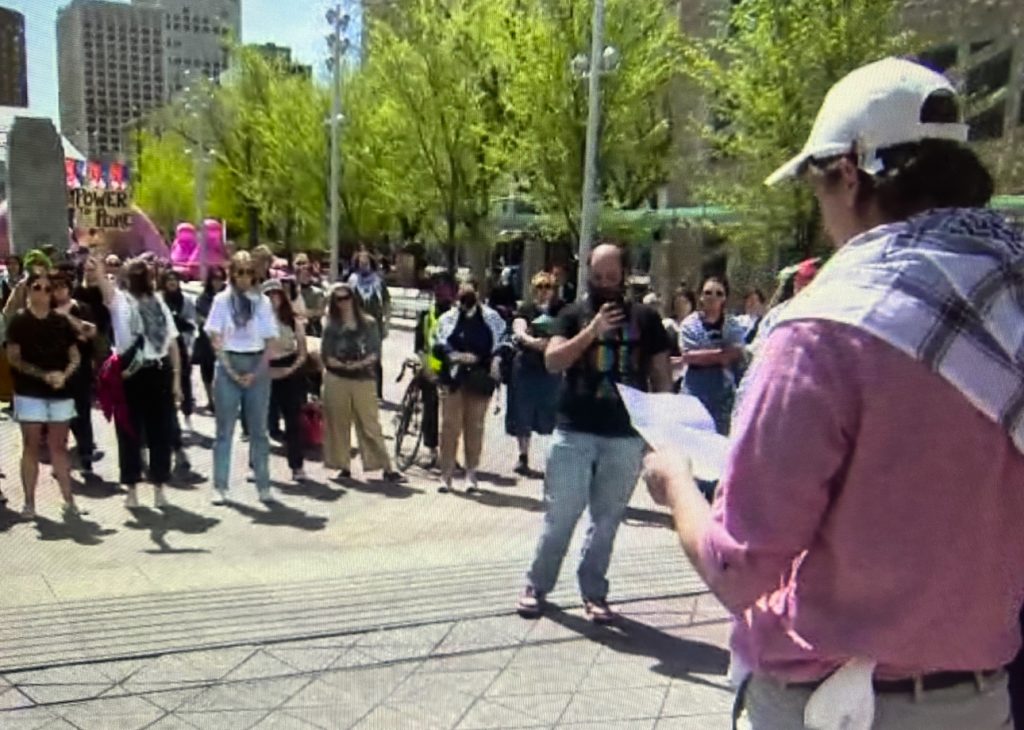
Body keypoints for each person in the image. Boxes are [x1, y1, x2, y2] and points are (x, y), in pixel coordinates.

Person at [644, 57, 1024, 730]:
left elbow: (742, 571)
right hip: (982, 699)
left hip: (839, 705)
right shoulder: (1009, 301)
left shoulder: (826, 327)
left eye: (819, 196)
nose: (825, 222)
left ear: (848, 172)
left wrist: (675, 482)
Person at [517, 244, 672, 623]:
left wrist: (659, 434)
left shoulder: (647, 319)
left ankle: (594, 592)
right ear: (587, 274)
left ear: (625, 276)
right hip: (575, 430)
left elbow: (661, 376)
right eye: (598, 278)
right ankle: (537, 585)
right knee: (561, 516)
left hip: (624, 435)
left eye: (612, 278)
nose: (605, 285)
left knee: (607, 521)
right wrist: (592, 330)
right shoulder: (571, 315)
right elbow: (553, 361)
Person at [101, 257, 182, 509]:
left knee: (161, 433)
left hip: (157, 371)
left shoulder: (158, 302)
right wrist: (96, 256)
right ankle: (132, 488)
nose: (142, 277)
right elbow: (103, 286)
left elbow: (171, 342)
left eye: (144, 272)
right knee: (129, 431)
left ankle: (159, 486)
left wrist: (177, 378)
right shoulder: (120, 300)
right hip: (130, 373)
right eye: (137, 272)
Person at [5, 272, 83, 520]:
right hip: (29, 392)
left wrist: (64, 374)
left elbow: (75, 356)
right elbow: (14, 359)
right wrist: (43, 375)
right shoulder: (19, 321)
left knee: (59, 447)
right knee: (31, 446)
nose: (42, 292)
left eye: (47, 288)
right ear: (28, 291)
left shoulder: (60, 321)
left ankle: (69, 501)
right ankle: (30, 504)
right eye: (36, 287)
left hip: (61, 392)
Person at [205, 252, 279, 505]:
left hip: (257, 363)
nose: (245, 278)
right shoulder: (222, 300)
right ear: (232, 274)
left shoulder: (263, 302)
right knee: (224, 430)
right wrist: (232, 371)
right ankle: (221, 486)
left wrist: (255, 373)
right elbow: (215, 339)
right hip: (229, 362)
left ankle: (263, 485)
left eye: (249, 272)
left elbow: (270, 341)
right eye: (240, 272)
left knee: (259, 430)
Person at [320, 283, 404, 483]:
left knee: (369, 423)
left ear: (353, 298)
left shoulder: (369, 323)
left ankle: (385, 467)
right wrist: (341, 365)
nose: (343, 303)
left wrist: (357, 364)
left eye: (346, 297)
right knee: (338, 423)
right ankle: (343, 466)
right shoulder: (331, 325)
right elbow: (326, 354)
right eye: (338, 299)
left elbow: (375, 352)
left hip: (363, 378)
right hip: (336, 378)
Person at [433, 279, 507, 494]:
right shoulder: (449, 318)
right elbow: (439, 341)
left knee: (474, 426)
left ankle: (471, 474)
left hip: (480, 378)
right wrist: (454, 355)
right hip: (454, 378)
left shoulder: (491, 317)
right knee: (449, 426)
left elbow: (503, 341)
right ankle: (445, 474)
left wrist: (492, 360)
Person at [505, 271, 563, 477]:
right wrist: (532, 342)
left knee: (553, 413)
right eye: (539, 287)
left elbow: (568, 332)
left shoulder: (561, 310)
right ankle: (523, 457)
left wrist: (552, 346)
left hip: (551, 368)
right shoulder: (526, 309)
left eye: (547, 287)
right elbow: (519, 329)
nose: (543, 291)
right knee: (522, 411)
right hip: (526, 366)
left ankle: (556, 460)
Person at [678, 276, 746, 437]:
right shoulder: (689, 324)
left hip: (724, 399)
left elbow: (737, 353)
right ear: (700, 296)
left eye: (718, 293)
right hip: (693, 394)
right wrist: (722, 354)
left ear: (725, 298)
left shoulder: (733, 325)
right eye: (708, 292)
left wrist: (707, 355)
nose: (713, 297)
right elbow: (689, 356)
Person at [51, 269, 103, 477]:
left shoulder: (81, 308)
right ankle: (60, 461)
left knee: (82, 414)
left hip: (80, 370)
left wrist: (69, 318)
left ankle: (86, 456)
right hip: (56, 370)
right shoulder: (46, 310)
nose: (58, 291)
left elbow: (90, 332)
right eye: (54, 288)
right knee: (60, 417)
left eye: (62, 286)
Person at [263, 279, 309, 483]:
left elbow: (302, 353)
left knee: (293, 421)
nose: (273, 298)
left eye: (277, 294)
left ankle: (297, 466)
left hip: (290, 370)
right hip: (264, 370)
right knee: (261, 422)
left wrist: (289, 370)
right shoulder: (256, 321)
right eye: (268, 294)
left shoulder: (293, 321)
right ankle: (256, 466)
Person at [413, 271, 457, 468]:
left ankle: (450, 453)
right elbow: (419, 346)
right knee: (430, 410)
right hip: (430, 371)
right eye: (438, 289)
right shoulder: (425, 316)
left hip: (453, 373)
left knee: (453, 416)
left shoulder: (460, 317)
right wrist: (426, 367)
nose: (441, 293)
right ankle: (430, 450)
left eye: (445, 289)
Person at [159, 270, 196, 472]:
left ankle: (179, 444)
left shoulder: (186, 300)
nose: (172, 283)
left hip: (180, 349)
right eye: (169, 280)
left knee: (184, 384)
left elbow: (191, 325)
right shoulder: (158, 301)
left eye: (175, 280)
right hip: (160, 355)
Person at [347, 251, 391, 400]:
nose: (363, 265)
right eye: (361, 262)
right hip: (357, 324)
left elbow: (386, 303)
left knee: (375, 358)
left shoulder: (378, 281)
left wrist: (387, 324)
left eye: (366, 262)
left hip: (375, 325)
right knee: (356, 356)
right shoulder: (352, 281)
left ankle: (377, 392)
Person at [192, 265, 227, 413]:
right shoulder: (203, 297)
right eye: (215, 278)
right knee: (207, 370)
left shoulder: (228, 295)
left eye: (220, 278)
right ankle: (210, 400)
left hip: (226, 338)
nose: (217, 281)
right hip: (207, 339)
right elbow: (200, 316)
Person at [663, 287, 697, 392]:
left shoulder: (696, 326)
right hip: (668, 374)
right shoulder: (666, 324)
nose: (681, 306)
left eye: (685, 302)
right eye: (678, 302)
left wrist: (682, 361)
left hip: (688, 376)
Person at [293, 253, 325, 337]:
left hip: (312, 329)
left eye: (306, 273)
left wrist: (304, 313)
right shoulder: (292, 291)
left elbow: (320, 312)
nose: (304, 275)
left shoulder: (317, 291)